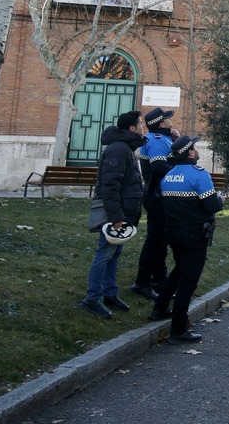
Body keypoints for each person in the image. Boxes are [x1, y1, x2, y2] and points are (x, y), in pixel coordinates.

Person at [150, 135, 223, 344]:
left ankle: (160, 308)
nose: (196, 149)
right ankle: (178, 329)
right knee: (188, 281)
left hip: (173, 232)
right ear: (190, 153)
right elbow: (212, 206)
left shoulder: (169, 176)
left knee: (179, 270)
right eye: (194, 147)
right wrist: (220, 200)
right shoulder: (199, 175)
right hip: (194, 234)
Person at [81, 110, 146, 319]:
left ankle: (110, 293)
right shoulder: (118, 149)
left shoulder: (125, 147)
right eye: (140, 124)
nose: (143, 127)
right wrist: (117, 217)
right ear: (132, 128)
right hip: (115, 213)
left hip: (123, 211)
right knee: (105, 253)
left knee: (114, 253)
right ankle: (92, 297)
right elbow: (109, 186)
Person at [130, 106, 176, 300]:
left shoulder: (163, 138)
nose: (170, 120)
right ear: (161, 123)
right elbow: (158, 168)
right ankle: (142, 282)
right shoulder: (156, 141)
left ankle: (159, 281)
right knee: (155, 240)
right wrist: (179, 173)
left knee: (161, 241)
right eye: (167, 118)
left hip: (161, 195)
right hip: (157, 195)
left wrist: (175, 140)